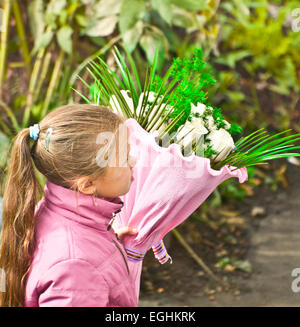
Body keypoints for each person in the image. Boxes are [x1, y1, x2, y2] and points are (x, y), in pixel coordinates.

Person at [0, 104, 138, 307]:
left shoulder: (56, 210)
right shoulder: (75, 267)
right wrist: (92, 255)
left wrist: (106, 243)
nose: (133, 161)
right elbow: (76, 267)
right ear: (88, 184)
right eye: (125, 158)